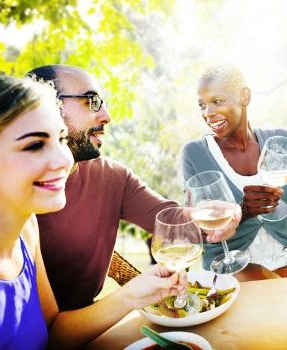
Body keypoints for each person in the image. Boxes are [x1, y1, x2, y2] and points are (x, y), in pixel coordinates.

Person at [0, 76, 183, 349]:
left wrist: (132, 295)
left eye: (62, 139)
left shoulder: (25, 229)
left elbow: (53, 334)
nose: (63, 160)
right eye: (34, 145)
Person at [28, 65, 241, 311]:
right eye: (91, 101)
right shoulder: (10, 193)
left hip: (92, 324)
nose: (106, 116)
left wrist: (201, 214)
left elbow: (169, 219)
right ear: (46, 107)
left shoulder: (111, 176)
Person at [181, 64, 287, 280]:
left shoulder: (281, 141)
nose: (208, 113)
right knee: (267, 287)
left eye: (217, 101)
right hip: (229, 264)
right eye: (202, 105)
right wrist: (243, 211)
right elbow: (197, 228)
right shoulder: (195, 153)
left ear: (244, 96)